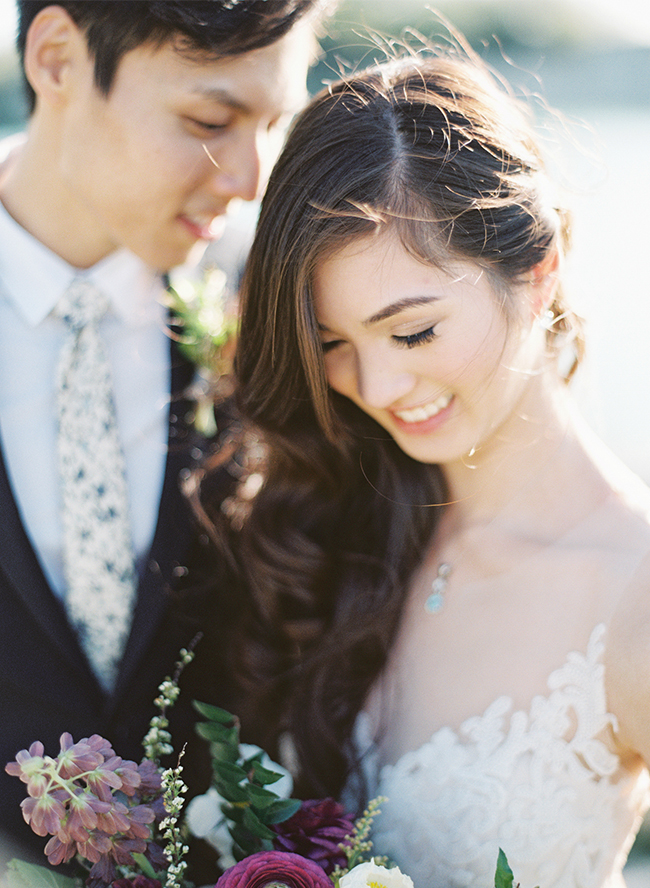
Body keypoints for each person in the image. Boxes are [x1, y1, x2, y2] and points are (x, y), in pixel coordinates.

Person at [207, 43, 650, 888]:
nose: (375, 386)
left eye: (413, 332)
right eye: (331, 344)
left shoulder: (633, 594)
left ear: (537, 273)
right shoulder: (346, 513)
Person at [0, 0, 331, 866]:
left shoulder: (279, 312)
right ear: (60, 60)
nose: (252, 178)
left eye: (274, 122)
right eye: (211, 120)